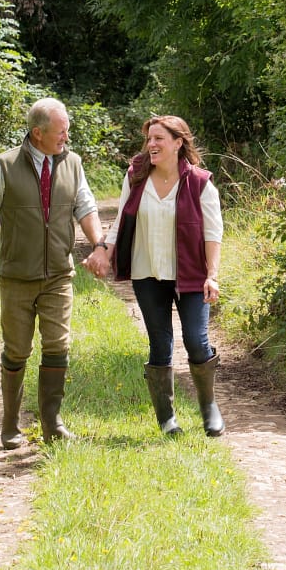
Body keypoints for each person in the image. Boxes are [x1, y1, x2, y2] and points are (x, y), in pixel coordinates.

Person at [0, 97, 106, 449]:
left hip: (59, 273)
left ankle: (52, 424)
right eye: (61, 132)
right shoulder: (5, 165)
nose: (66, 138)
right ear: (37, 133)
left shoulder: (73, 163)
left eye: (67, 131)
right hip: (17, 275)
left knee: (58, 345)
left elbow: (85, 206)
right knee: (16, 350)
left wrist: (99, 245)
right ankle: (10, 424)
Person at [84, 114, 225, 437]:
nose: (151, 145)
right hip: (147, 273)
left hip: (191, 275)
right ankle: (167, 420)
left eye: (159, 138)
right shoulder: (136, 176)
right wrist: (104, 248)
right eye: (149, 139)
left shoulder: (201, 183)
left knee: (196, 340)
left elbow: (213, 233)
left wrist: (212, 275)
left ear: (178, 143)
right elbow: (121, 220)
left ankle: (209, 409)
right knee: (160, 344)